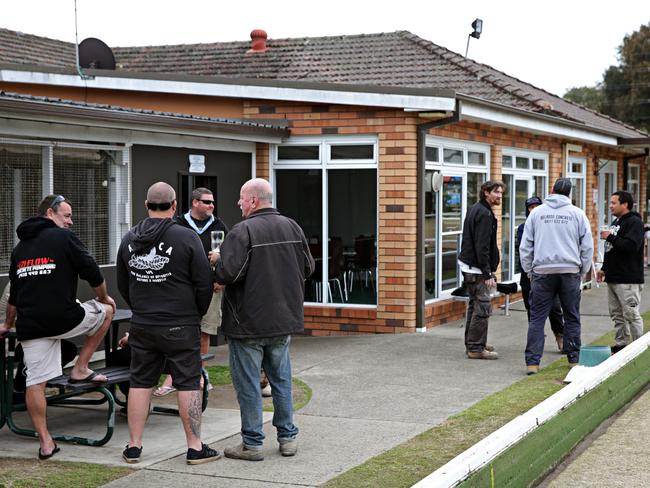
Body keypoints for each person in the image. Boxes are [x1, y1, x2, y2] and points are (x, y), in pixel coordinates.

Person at [0, 195, 116, 460]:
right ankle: (81, 368)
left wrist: (7, 324)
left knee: (35, 383)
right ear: (50, 214)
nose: (70, 221)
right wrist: (103, 297)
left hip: (32, 326)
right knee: (108, 311)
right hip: (66, 319)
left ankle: (45, 442)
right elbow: (92, 271)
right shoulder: (65, 238)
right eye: (67, 215)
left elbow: (15, 295)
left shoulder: (20, 249)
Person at [116, 182, 220, 465]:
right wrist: (195, 314)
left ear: (146, 205)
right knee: (188, 383)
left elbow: (123, 285)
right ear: (175, 206)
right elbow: (203, 283)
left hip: (144, 324)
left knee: (140, 382)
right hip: (180, 324)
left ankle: (134, 446)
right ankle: (195, 447)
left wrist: (142, 309)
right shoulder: (186, 238)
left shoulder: (128, 240)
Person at [214, 178, 314, 461]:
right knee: (281, 381)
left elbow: (228, 274)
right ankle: (288, 439)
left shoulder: (242, 231)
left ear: (254, 201)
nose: (238, 203)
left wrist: (216, 259)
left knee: (248, 385)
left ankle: (252, 443)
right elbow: (308, 267)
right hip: (283, 320)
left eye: (242, 198)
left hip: (247, 323)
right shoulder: (292, 226)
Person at [154, 187, 228, 397]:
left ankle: (199, 375)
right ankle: (174, 377)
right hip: (181, 289)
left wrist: (220, 278)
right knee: (181, 331)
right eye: (207, 202)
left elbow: (228, 254)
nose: (211, 206)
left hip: (211, 288)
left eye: (212, 202)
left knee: (204, 331)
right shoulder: (177, 224)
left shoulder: (219, 225)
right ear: (194, 202)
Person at [520, 178, 593, 375]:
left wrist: (529, 271)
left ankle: (532, 363)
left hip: (543, 271)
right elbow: (587, 246)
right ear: (570, 194)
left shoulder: (537, 213)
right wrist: (583, 270)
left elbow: (526, 246)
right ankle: (573, 360)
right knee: (571, 316)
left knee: (537, 318)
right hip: (570, 271)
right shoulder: (577, 214)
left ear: (552, 190)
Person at [458, 180, 504, 360]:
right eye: (496, 192)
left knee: (474, 305)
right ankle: (476, 348)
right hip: (476, 269)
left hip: (470, 266)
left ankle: (473, 342)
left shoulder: (476, 208)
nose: (500, 196)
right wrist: (487, 273)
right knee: (482, 307)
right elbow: (482, 246)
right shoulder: (484, 214)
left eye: (501, 193)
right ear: (486, 192)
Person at [597, 190, 645, 353]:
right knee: (617, 315)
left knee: (631, 314)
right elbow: (612, 250)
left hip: (628, 279)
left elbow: (631, 246)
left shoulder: (634, 223)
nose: (610, 206)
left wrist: (610, 237)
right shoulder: (616, 222)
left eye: (613, 203)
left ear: (625, 204)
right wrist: (604, 269)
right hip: (613, 277)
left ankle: (640, 349)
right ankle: (621, 345)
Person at [516, 196, 565, 352]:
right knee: (532, 307)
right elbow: (525, 249)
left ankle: (560, 335)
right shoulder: (523, 227)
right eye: (531, 207)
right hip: (529, 273)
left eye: (537, 206)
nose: (534, 209)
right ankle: (537, 340)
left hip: (548, 272)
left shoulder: (549, 225)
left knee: (555, 307)